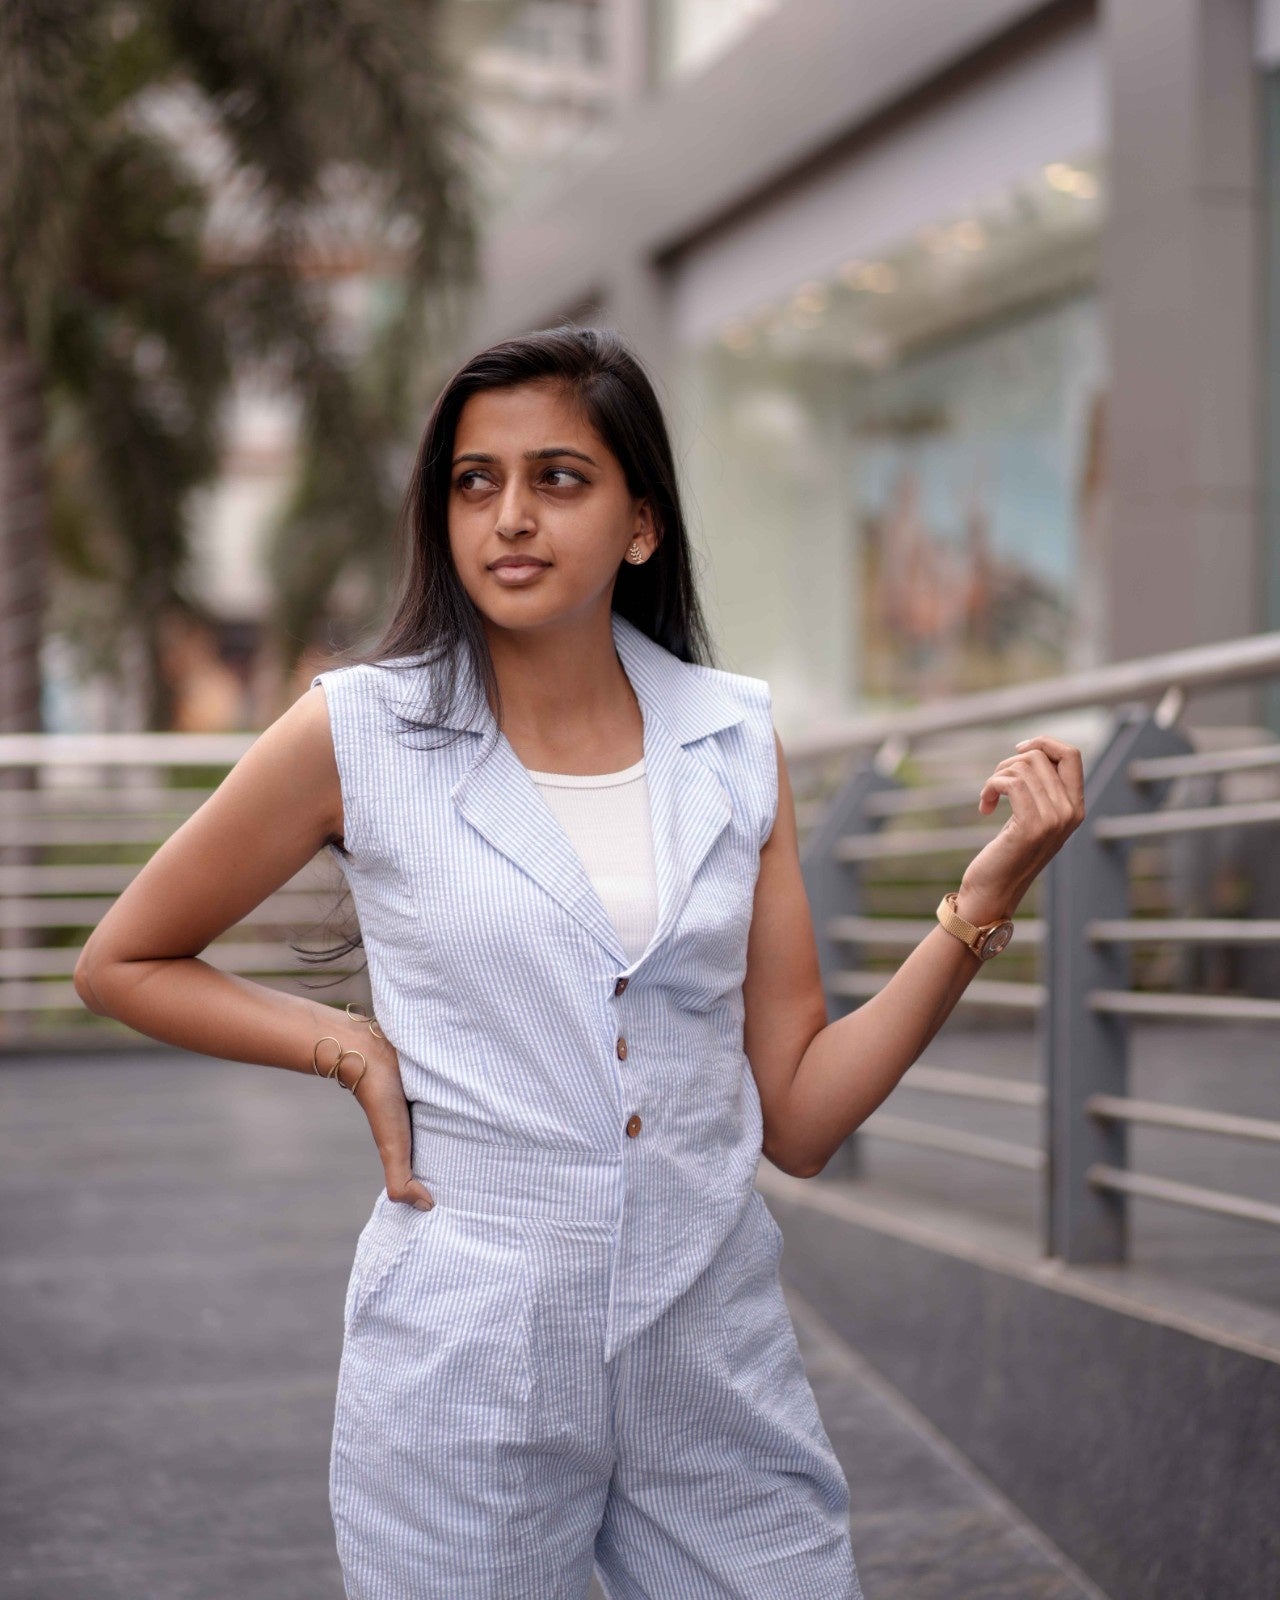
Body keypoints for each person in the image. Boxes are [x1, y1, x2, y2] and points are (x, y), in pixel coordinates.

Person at [74, 324, 1086, 1598]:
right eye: (474, 481)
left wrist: (977, 908)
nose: (509, 515)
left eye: (558, 477)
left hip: (709, 1351)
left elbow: (805, 1119)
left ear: (640, 524)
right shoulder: (361, 730)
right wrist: (346, 1044)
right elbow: (124, 958)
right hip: (466, 1360)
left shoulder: (729, 740)